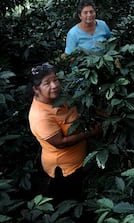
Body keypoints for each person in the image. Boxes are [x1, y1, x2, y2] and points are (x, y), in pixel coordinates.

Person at [28, 62, 102, 202]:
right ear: (36, 89)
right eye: (47, 83)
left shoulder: (59, 97)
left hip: (79, 162)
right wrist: (91, 133)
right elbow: (60, 143)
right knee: (68, 200)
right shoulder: (40, 116)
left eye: (55, 79)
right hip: (64, 170)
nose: (54, 85)